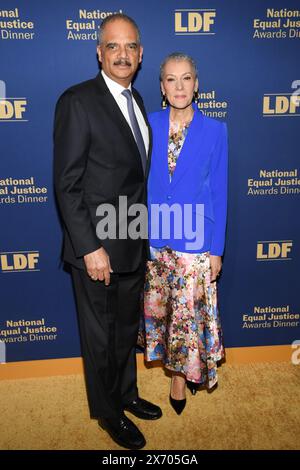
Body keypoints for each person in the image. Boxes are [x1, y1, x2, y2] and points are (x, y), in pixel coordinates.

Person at [53, 13, 162, 450]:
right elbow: (67, 182)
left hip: (132, 238)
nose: (122, 54)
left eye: (130, 46)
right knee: (100, 335)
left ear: (140, 54)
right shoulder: (78, 100)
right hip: (96, 246)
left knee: (124, 328)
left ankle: (127, 393)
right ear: (99, 52)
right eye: (113, 46)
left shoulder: (137, 101)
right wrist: (90, 246)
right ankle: (108, 412)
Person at [143, 52, 228, 415]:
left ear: (197, 83)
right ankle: (174, 369)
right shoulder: (148, 123)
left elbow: (219, 190)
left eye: (186, 78)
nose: (180, 86)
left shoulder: (216, 129)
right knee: (164, 313)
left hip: (195, 239)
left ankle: (180, 378)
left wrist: (216, 249)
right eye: (171, 79)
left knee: (187, 316)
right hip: (157, 237)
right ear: (162, 87)